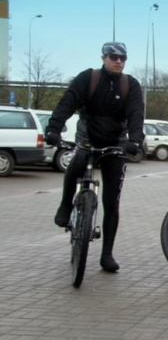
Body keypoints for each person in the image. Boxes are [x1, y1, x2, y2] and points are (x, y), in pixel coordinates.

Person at [45, 42, 144, 273]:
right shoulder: (88, 78)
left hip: (115, 143)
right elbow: (67, 103)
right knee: (76, 163)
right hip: (88, 137)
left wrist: (136, 141)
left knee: (112, 201)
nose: (118, 61)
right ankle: (65, 205)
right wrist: (53, 129)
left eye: (123, 58)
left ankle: (107, 254)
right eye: (113, 57)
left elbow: (136, 115)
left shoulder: (130, 85)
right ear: (104, 57)